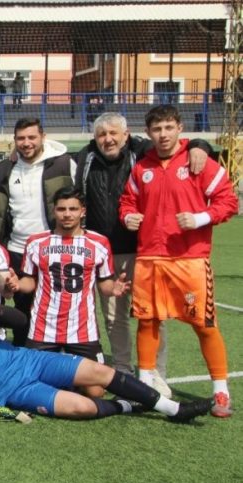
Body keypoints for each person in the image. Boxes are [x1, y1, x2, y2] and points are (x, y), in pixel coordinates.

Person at [0, 277, 212, 423]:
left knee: (100, 374)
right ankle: (130, 406)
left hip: (30, 361)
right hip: (10, 392)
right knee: (85, 408)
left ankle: (174, 411)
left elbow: (21, 322)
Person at [74, 112, 213, 395]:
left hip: (144, 251)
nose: (108, 139)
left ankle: (156, 373)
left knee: (152, 316)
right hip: (104, 252)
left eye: (114, 133)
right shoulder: (85, 158)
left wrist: (201, 145)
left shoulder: (142, 151)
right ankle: (124, 368)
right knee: (114, 316)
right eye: (102, 135)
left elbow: (176, 145)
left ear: (126, 135)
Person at [119, 104, 239, 418]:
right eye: (157, 129)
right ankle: (145, 386)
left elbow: (228, 201)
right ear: (149, 133)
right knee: (147, 321)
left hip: (190, 259)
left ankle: (221, 390)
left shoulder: (199, 161)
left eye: (168, 128)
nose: (163, 135)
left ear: (180, 128)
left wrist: (201, 217)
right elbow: (128, 200)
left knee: (204, 324)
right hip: (149, 256)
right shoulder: (141, 167)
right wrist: (128, 215)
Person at [0, 117, 76, 346]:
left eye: (32, 137)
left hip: (54, 250)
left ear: (43, 137)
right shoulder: (5, 170)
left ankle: (59, 353)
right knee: (21, 308)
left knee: (57, 304)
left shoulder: (64, 164)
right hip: (16, 250)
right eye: (21, 138)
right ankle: (21, 351)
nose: (26, 143)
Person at [10, 188, 130, 397]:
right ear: (54, 211)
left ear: (82, 211)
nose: (67, 214)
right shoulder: (36, 242)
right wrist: (17, 285)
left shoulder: (99, 243)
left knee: (96, 391)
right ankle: (61, 379)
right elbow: (30, 281)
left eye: (73, 209)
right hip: (43, 328)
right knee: (27, 383)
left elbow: (104, 284)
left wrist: (114, 289)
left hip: (82, 328)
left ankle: (66, 380)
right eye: (61, 209)